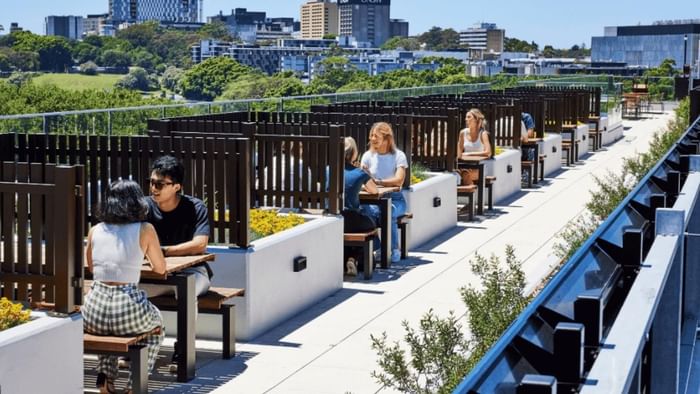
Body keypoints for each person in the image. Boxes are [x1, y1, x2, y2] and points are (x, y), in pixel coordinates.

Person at [82, 180, 166, 394]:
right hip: (126, 305)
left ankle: (105, 379)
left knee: (105, 332)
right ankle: (132, 387)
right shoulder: (145, 229)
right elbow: (160, 268)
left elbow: (91, 267)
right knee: (157, 327)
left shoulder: (95, 230)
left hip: (93, 309)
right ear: (137, 201)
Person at [145, 155, 212, 298]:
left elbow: (200, 245)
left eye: (159, 184)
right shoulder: (143, 207)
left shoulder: (195, 207)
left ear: (177, 187)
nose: (153, 188)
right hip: (153, 272)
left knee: (187, 290)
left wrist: (162, 251)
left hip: (192, 270)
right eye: (151, 182)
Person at [360, 122, 408, 264]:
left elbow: (399, 180)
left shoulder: (399, 156)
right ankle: (379, 247)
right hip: (374, 199)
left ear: (386, 138)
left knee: (389, 212)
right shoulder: (367, 156)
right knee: (363, 213)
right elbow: (364, 180)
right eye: (371, 135)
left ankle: (394, 250)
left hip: (396, 200)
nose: (372, 139)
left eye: (376, 136)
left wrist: (378, 182)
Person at [342, 137, 378, 275]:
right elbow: (374, 191)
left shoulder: (329, 170)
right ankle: (357, 258)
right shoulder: (359, 173)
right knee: (372, 223)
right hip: (352, 219)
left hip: (333, 217)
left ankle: (349, 259)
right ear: (354, 153)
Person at [520, 112, 537, 184]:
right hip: (518, 148)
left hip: (522, 147)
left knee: (528, 151)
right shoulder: (520, 123)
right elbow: (527, 138)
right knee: (529, 151)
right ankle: (525, 176)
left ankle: (524, 175)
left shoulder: (525, 117)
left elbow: (530, 134)